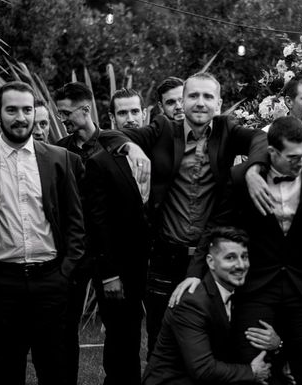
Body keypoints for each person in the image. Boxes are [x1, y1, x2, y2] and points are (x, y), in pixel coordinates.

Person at [111, 72, 270, 356]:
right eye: (193, 95)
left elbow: (260, 138)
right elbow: (111, 135)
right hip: (164, 257)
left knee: (210, 343)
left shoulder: (227, 131)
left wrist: (254, 169)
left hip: (209, 260)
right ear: (182, 102)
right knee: (161, 342)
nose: (200, 102)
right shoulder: (162, 129)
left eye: (208, 96)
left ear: (219, 104)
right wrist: (132, 147)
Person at [176, 116, 302, 385]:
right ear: (272, 153)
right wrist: (194, 272)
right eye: (293, 157)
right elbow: (216, 224)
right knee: (254, 369)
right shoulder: (241, 178)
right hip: (257, 288)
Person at [0, 81, 85, 385]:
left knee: (56, 368)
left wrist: (66, 272)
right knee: (0, 370)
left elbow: (75, 220)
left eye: (26, 109)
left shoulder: (59, 159)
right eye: (11, 110)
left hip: (50, 281)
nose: (20, 117)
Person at [143, 226, 274, 385]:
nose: (240, 265)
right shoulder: (192, 302)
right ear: (211, 262)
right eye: (230, 258)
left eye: (244, 257)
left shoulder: (240, 294)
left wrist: (277, 344)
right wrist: (252, 372)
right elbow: (202, 369)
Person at [83, 88, 151, 384]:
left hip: (156, 263)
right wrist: (108, 274)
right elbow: (97, 223)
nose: (131, 118)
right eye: (123, 112)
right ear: (112, 117)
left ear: (145, 113)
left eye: (135, 111)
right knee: (123, 338)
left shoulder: (156, 152)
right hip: (118, 269)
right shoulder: (100, 162)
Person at [54, 82, 104, 385]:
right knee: (65, 329)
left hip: (106, 252)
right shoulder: (59, 149)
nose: (63, 119)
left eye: (66, 113)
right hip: (72, 253)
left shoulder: (113, 145)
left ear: (85, 109)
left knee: (120, 329)